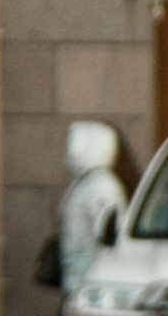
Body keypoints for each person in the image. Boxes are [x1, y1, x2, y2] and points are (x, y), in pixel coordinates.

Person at [42, 120, 129, 299]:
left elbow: (111, 235)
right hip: (77, 281)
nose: (72, 149)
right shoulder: (84, 183)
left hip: (90, 285)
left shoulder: (101, 186)